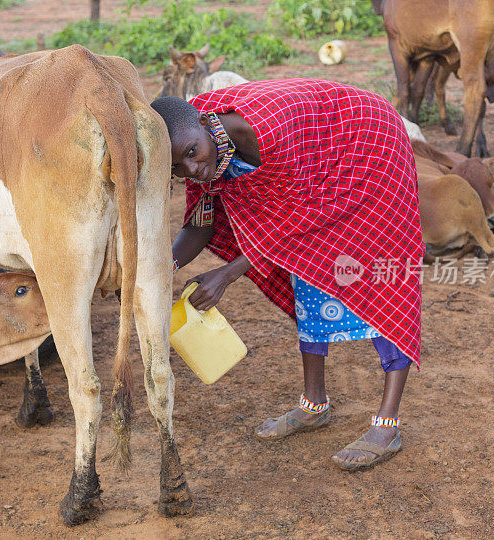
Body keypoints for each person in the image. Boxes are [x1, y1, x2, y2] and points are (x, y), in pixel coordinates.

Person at [151, 79, 424, 470]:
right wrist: (160, 269)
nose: (193, 169)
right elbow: (201, 223)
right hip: (316, 183)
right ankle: (314, 404)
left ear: (203, 124)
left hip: (368, 145)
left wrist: (229, 273)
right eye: (179, 169)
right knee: (309, 275)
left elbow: (302, 219)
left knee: (381, 281)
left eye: (192, 153)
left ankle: (387, 425)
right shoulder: (206, 151)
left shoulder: (265, 132)